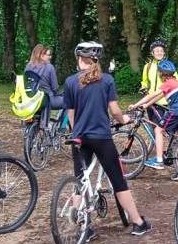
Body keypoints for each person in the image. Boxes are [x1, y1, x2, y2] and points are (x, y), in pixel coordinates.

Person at [63, 41, 152, 238]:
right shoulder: (106, 80)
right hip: (101, 136)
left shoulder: (70, 82)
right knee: (118, 180)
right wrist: (124, 119)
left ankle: (81, 228)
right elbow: (114, 110)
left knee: (80, 180)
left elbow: (71, 115)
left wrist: (76, 130)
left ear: (79, 59)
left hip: (79, 137)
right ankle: (138, 222)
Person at [128, 59, 178, 172]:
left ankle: (159, 161)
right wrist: (145, 106)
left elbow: (151, 95)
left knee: (158, 130)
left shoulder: (168, 83)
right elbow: (158, 97)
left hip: (176, 111)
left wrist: (135, 105)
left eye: (158, 72)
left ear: (161, 73)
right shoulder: (175, 82)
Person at [24, 44, 67, 128]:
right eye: (48, 55)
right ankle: (62, 128)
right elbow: (55, 88)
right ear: (41, 55)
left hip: (32, 100)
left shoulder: (28, 66)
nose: (50, 57)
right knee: (70, 101)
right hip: (47, 100)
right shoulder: (49, 67)